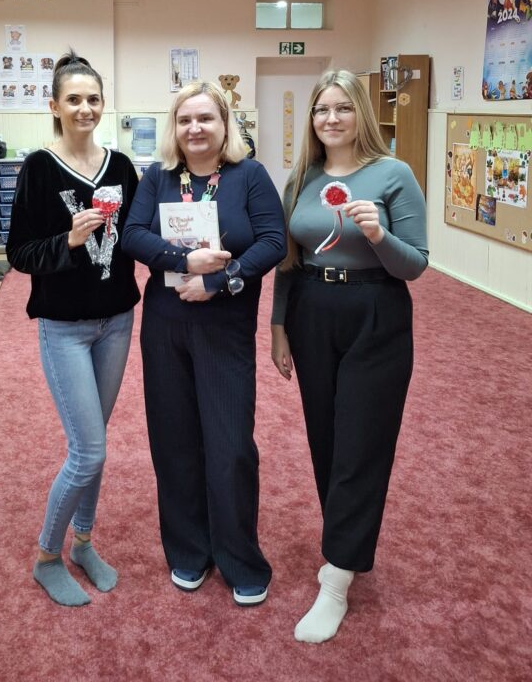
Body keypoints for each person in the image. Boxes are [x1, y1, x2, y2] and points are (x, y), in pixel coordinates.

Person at [270, 69, 428, 643]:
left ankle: (336, 579)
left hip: (375, 313)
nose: (331, 118)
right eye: (321, 109)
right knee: (327, 439)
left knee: (362, 442)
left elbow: (416, 264)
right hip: (312, 311)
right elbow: (288, 260)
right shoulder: (302, 177)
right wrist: (278, 326)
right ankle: (346, 544)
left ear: (360, 112)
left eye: (342, 108)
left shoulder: (393, 174)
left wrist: (380, 236)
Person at [122, 81, 286, 606]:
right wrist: (182, 261)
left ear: (224, 124)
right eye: (185, 119)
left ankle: (240, 558)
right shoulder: (158, 175)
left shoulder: (249, 175)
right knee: (174, 440)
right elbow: (132, 234)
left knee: (231, 445)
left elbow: (274, 241)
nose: (195, 128)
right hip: (166, 324)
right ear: (175, 127)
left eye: (206, 118)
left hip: (225, 326)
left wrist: (219, 280)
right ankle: (189, 550)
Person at [6, 51, 140, 607]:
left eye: (94, 99)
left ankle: (83, 543)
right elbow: (18, 253)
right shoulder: (39, 168)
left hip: (117, 322)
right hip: (64, 327)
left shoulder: (122, 166)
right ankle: (47, 557)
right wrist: (69, 241)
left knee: (96, 445)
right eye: (74, 99)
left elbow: (138, 235)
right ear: (54, 106)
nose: (85, 108)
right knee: (88, 451)